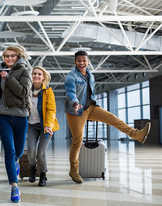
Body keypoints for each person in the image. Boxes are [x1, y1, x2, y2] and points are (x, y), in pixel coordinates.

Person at [64, 50, 151, 184]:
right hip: (75, 111)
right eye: (79, 60)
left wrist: (92, 110)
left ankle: (136, 134)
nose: (81, 62)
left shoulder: (90, 75)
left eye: (84, 60)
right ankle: (73, 169)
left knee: (112, 118)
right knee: (77, 141)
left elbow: (90, 93)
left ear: (88, 61)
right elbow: (70, 92)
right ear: (75, 62)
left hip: (91, 107)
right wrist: (75, 103)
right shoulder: (71, 76)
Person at [0, 45, 32, 203]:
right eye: (6, 56)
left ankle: (16, 163)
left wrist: (8, 78)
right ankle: (14, 186)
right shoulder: (0, 72)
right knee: (10, 151)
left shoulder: (25, 71)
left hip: (20, 115)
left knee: (18, 152)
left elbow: (23, 92)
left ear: (19, 56)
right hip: (3, 115)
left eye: (12, 56)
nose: (9, 58)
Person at [27, 67, 59, 187]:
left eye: (39, 74)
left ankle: (43, 175)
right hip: (31, 126)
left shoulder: (48, 91)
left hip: (46, 127)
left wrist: (49, 126)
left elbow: (51, 110)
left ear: (43, 77)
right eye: (34, 73)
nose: (36, 76)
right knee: (31, 151)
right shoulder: (27, 91)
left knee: (41, 153)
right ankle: (33, 167)